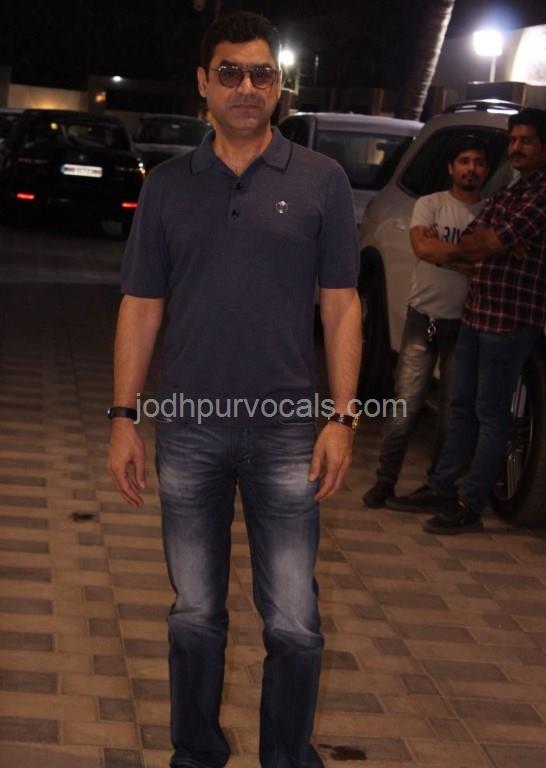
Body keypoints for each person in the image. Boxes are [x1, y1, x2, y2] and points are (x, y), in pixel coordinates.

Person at [106, 11, 361, 768]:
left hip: (287, 430)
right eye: (230, 73)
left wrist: (342, 418)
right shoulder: (166, 187)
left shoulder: (321, 180)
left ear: (279, 85)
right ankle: (196, 755)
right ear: (202, 83)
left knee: (295, 623)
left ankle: (287, 757)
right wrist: (123, 417)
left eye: (261, 74)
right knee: (194, 614)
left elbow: (342, 305)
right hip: (189, 426)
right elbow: (140, 306)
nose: (246, 87)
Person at [391, 108, 546, 534]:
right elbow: (475, 239)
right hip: (477, 311)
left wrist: (492, 243)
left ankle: (471, 504)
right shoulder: (514, 190)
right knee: (460, 407)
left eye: (527, 141)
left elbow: (490, 239)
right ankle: (441, 487)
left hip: (510, 320)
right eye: (513, 139)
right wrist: (490, 245)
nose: (516, 147)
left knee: (491, 414)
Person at [362, 137, 489, 508]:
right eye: (464, 160)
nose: (471, 168)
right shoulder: (430, 204)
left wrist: (444, 254)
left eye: (478, 162)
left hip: (465, 324)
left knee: (451, 412)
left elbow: (481, 263)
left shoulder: (489, 212)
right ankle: (385, 481)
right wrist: (469, 254)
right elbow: (423, 248)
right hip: (424, 318)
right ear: (451, 167)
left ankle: (437, 486)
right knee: (405, 405)